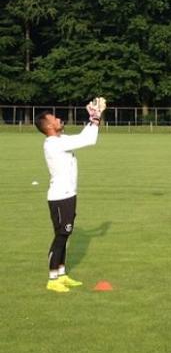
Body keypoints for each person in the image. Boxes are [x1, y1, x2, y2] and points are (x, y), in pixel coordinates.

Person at [35, 98, 106, 293]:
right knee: (61, 235)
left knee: (66, 235)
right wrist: (94, 118)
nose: (59, 119)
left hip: (68, 195)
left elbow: (86, 138)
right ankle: (52, 278)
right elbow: (85, 140)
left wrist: (94, 118)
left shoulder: (60, 140)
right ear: (49, 126)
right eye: (54, 119)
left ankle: (62, 274)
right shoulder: (52, 144)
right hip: (60, 197)